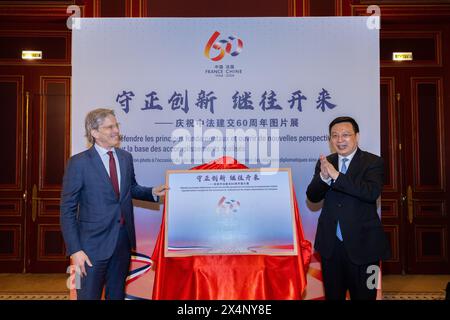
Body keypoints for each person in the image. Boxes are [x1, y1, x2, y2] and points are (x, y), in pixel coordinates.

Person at [60, 108, 167, 300]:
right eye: (109, 127)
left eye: (116, 125)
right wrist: (75, 250)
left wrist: (151, 192)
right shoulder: (79, 163)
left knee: (116, 296)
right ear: (94, 133)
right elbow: (67, 210)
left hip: (121, 244)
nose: (116, 130)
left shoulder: (125, 157)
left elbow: (130, 188)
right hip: (90, 248)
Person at [306, 116, 390, 300]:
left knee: (366, 296)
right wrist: (324, 177)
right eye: (334, 135)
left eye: (345, 135)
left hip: (366, 247)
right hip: (331, 247)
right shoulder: (326, 163)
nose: (339, 139)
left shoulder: (373, 162)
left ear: (357, 136)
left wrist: (337, 176)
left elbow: (370, 193)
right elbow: (312, 196)